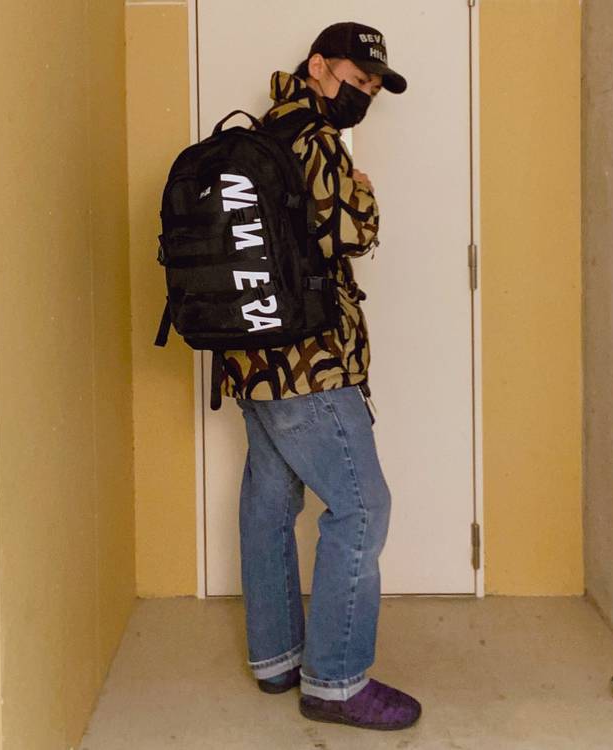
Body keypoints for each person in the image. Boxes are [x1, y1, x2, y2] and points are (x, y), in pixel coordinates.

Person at [222, 21, 422, 731]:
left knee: (271, 501)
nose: (364, 94)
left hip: (251, 355)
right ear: (317, 66)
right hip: (308, 362)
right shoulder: (313, 138)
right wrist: (363, 194)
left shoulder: (265, 132)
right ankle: (335, 682)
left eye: (373, 87)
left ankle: (275, 657)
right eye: (357, 79)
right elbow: (350, 234)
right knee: (363, 509)